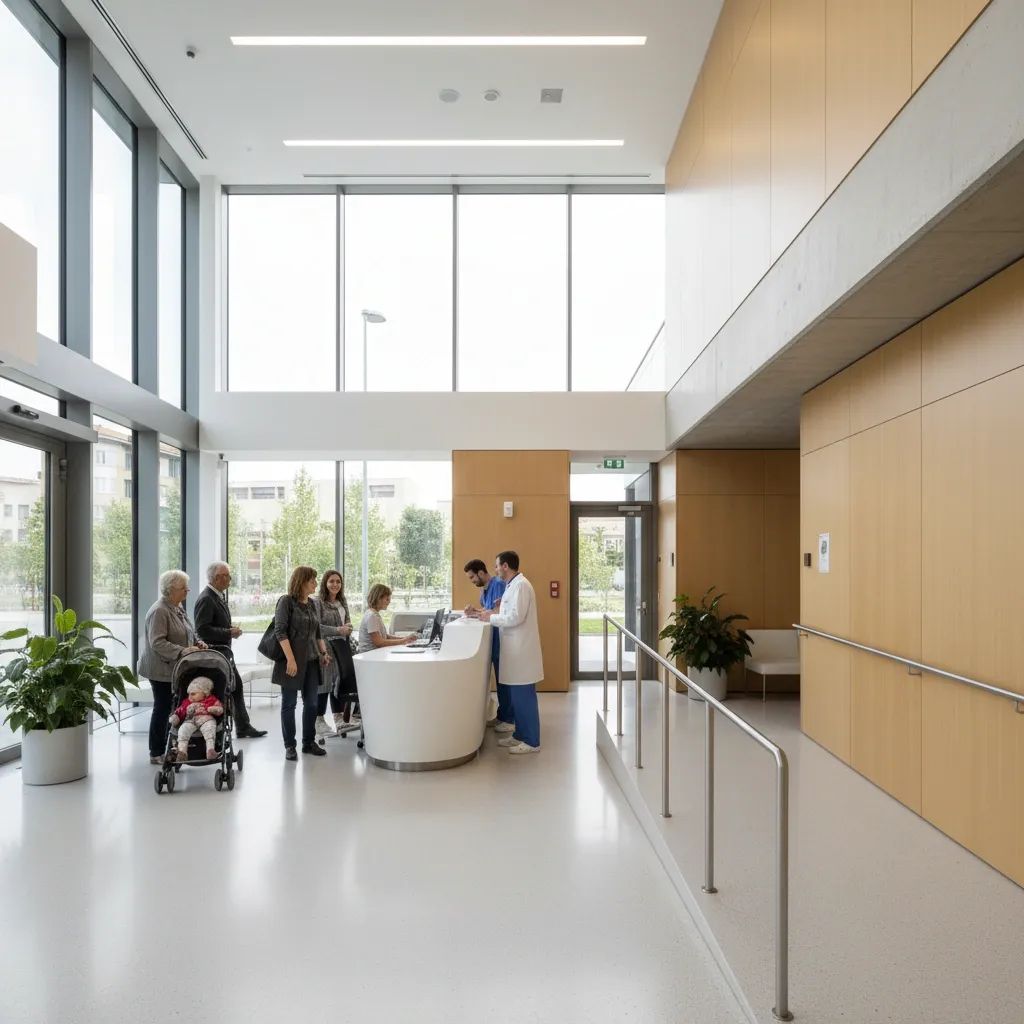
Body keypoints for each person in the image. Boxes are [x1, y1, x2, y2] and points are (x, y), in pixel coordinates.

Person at [466, 551, 543, 754]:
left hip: (521, 652)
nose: (496, 569)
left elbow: (515, 617)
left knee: (524, 698)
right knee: (517, 698)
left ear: (506, 566)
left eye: (497, 565)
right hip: (514, 651)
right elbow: (505, 613)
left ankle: (532, 741)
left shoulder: (522, 586)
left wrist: (489, 618)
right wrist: (487, 613)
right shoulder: (512, 586)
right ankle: (519, 735)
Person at [138, 570, 208, 764]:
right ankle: (156, 752)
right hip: (160, 669)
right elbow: (157, 643)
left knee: (172, 709)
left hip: (175, 669)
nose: (188, 590)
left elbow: (188, 632)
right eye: (183, 587)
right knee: (162, 709)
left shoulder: (176, 607)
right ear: (170, 590)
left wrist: (198, 642)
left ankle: (170, 747)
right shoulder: (159, 610)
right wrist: (182, 651)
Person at [193, 561, 267, 738]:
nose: (230, 580)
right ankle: (234, 728)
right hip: (215, 654)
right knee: (232, 688)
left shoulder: (216, 596)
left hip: (222, 653)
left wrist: (228, 629)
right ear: (217, 578)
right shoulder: (206, 598)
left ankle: (242, 726)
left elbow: (212, 624)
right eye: (227, 576)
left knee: (236, 687)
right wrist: (228, 632)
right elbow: (202, 629)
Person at [272, 566, 332, 761]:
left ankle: (308, 742)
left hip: (312, 660)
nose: (316, 583)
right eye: (312, 580)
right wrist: (290, 659)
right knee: (289, 704)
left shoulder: (313, 604)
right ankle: (290, 745)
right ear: (302, 581)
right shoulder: (286, 602)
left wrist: (323, 652)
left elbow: (317, 633)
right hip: (291, 660)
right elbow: (280, 631)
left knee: (312, 703)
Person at [463, 558, 510, 730]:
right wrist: (474, 611)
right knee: (499, 681)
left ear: (481, 573)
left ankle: (507, 719)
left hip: (501, 639)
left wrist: (482, 612)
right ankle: (502, 716)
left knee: (503, 681)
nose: (472, 581)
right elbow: (487, 611)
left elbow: (498, 611)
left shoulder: (497, 585)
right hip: (493, 640)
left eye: (472, 577)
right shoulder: (485, 590)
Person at [311, 569, 359, 737]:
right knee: (324, 685)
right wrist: (339, 630)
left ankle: (339, 719)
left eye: (338, 581)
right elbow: (316, 628)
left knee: (337, 684)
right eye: (331, 581)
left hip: (341, 648)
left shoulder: (341, 601)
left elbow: (347, 621)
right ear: (325, 583)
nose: (335, 584)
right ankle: (319, 721)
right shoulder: (318, 602)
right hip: (325, 648)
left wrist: (349, 627)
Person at [169, 676, 223, 761]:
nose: (190, 696)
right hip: (190, 720)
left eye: (193, 694)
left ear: (205, 693)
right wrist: (176, 717)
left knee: (209, 729)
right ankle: (182, 752)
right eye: (189, 694)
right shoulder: (187, 702)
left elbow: (219, 708)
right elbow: (181, 710)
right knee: (183, 730)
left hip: (206, 719)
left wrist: (213, 709)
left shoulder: (211, 699)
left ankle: (210, 750)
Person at [355, 584, 419, 652]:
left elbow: (385, 636)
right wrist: (403, 640)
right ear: (379, 598)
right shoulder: (372, 616)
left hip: (374, 654)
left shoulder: (373, 614)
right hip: (369, 656)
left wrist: (405, 638)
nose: (389, 602)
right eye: (387, 599)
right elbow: (379, 643)